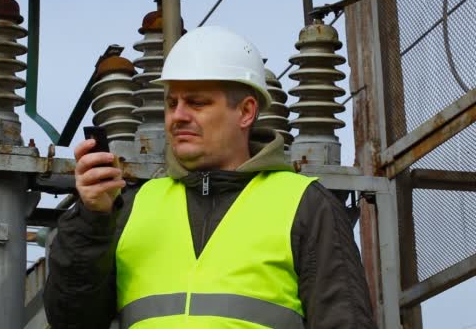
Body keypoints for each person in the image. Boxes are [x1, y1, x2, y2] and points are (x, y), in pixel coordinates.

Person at [44, 26, 375, 329]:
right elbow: (72, 320)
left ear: (246, 112)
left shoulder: (306, 205)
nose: (178, 116)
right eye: (172, 103)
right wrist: (92, 219)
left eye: (197, 103)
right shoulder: (130, 206)